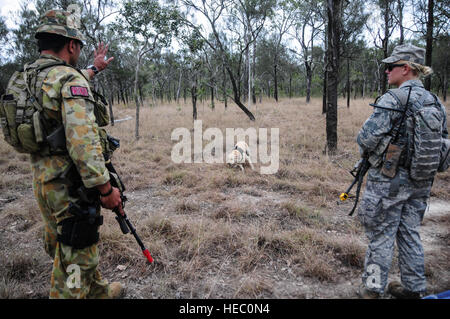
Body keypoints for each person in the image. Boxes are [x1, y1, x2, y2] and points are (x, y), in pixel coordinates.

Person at [4, 9, 124, 298]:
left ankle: (96, 291)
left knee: (63, 241)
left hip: (43, 180)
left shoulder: (29, 76)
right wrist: (106, 188)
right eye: (79, 46)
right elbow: (83, 144)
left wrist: (93, 69)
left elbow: (59, 91)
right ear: (71, 44)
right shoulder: (69, 80)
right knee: (76, 249)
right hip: (70, 185)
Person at [356, 44, 448, 299]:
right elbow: (443, 142)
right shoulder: (435, 102)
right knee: (410, 234)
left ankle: (372, 289)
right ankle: (414, 289)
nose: (387, 72)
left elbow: (365, 138)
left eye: (390, 67)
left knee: (380, 236)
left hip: (389, 181)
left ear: (405, 69)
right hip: (422, 180)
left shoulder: (393, 98)